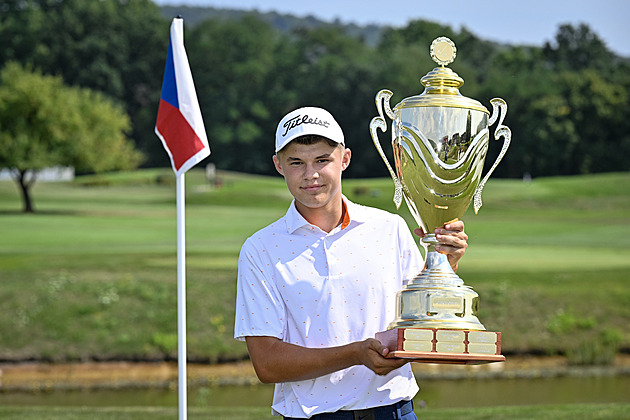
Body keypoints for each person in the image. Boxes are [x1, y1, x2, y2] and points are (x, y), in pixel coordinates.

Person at [234, 107, 469, 419]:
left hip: (394, 411)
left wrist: (445, 266)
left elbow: (424, 318)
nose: (310, 174)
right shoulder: (260, 249)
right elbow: (266, 363)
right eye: (296, 163)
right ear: (279, 165)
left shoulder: (390, 228)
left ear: (344, 159)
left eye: (322, 160)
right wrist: (356, 354)